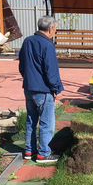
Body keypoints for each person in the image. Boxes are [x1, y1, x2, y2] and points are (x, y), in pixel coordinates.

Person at [18, 16, 64, 163]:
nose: (55, 31)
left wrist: (28, 78)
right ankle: (44, 153)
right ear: (51, 29)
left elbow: (21, 65)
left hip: (29, 88)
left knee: (31, 120)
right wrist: (56, 87)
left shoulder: (27, 41)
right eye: (55, 29)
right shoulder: (47, 45)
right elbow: (51, 71)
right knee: (46, 123)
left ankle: (29, 150)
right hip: (43, 90)